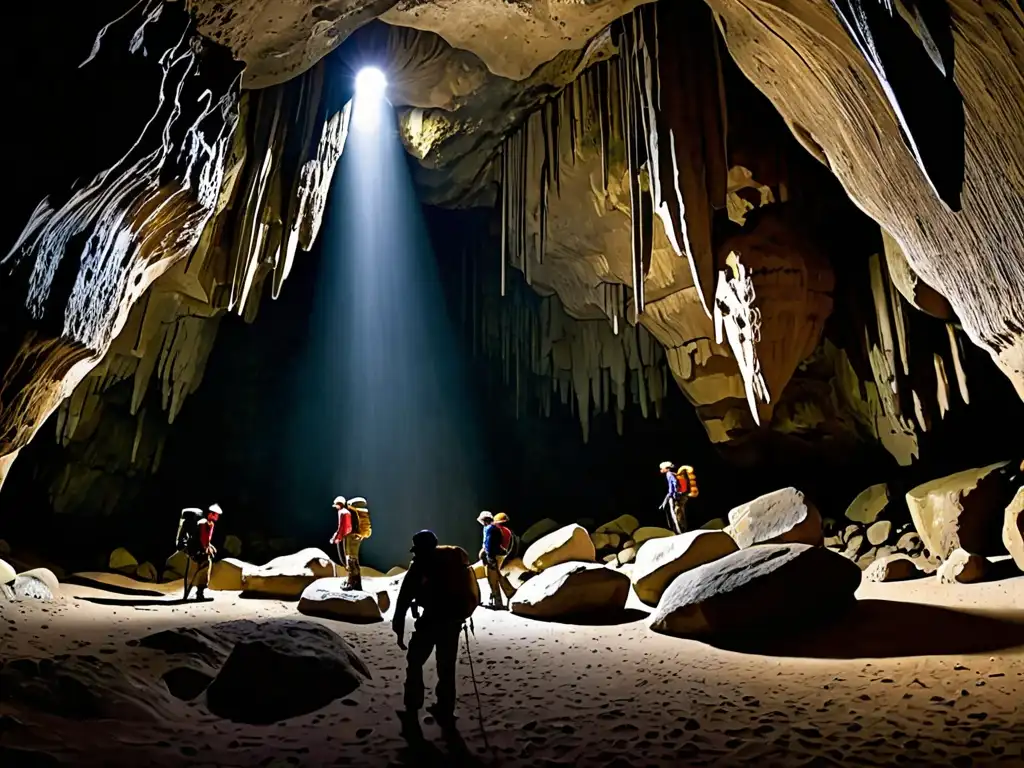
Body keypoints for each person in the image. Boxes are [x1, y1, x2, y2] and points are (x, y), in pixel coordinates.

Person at [393, 530, 479, 735]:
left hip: (431, 621)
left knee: (415, 661)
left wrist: (398, 629)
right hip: (453, 623)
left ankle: (413, 705)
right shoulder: (452, 561)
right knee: (446, 666)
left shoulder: (420, 565)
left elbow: (404, 598)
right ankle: (445, 707)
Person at [176, 503, 222, 600]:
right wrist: (206, 548)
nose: (217, 516)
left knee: (200, 571)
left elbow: (206, 539)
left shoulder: (207, 523)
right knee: (203, 571)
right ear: (210, 514)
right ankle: (198, 594)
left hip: (197, 550)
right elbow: (202, 538)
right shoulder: (204, 523)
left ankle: (192, 594)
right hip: (199, 550)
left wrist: (209, 546)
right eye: (216, 514)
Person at [329, 496, 371, 592]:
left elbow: (343, 527)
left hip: (350, 536)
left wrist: (337, 537)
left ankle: (352, 583)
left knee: (350, 559)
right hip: (357, 536)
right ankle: (356, 582)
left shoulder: (343, 513)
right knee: (354, 559)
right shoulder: (351, 512)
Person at [478, 511, 516, 610]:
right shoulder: (506, 530)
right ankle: (512, 597)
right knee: (501, 577)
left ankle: (498, 602)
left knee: (493, 580)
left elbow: (489, 544)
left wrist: (490, 558)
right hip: (501, 555)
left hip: (493, 556)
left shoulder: (490, 529)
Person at [659, 461, 687, 534]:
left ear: (667, 468)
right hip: (675, 495)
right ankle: (680, 530)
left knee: (675, 514)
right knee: (678, 513)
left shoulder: (669, 474)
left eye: (662, 468)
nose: (661, 470)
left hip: (674, 496)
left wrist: (673, 494)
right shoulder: (672, 474)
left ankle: (679, 531)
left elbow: (674, 484)